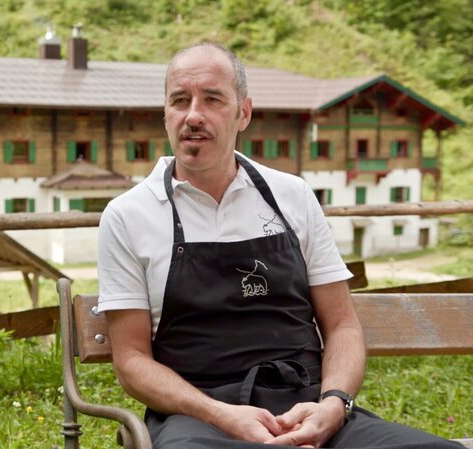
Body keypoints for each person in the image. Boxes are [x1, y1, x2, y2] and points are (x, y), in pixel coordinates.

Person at [97, 42, 462, 448]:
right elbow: (131, 361)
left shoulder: (293, 195)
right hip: (197, 416)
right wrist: (222, 415)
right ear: (165, 113)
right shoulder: (128, 215)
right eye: (179, 101)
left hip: (307, 406)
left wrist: (332, 405)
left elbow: (341, 324)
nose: (193, 115)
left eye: (212, 99)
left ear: (244, 113)